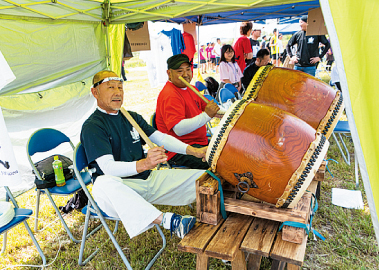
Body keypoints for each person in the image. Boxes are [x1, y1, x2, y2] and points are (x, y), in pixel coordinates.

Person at [80, 70, 208, 240]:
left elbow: (160, 138)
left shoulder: (130, 117)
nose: (118, 92)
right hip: (120, 191)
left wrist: (194, 151)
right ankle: (171, 222)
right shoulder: (93, 126)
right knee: (102, 183)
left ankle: (219, 222)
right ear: (95, 92)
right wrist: (144, 164)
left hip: (147, 180)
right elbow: (108, 168)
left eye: (120, 87)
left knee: (204, 179)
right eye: (111, 87)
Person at [155, 54, 220, 169]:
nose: (185, 75)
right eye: (180, 71)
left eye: (188, 70)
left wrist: (232, 112)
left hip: (199, 143)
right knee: (222, 162)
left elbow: (213, 110)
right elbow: (179, 129)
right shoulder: (170, 95)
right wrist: (206, 116)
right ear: (169, 73)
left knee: (231, 152)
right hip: (179, 151)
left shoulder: (191, 89)